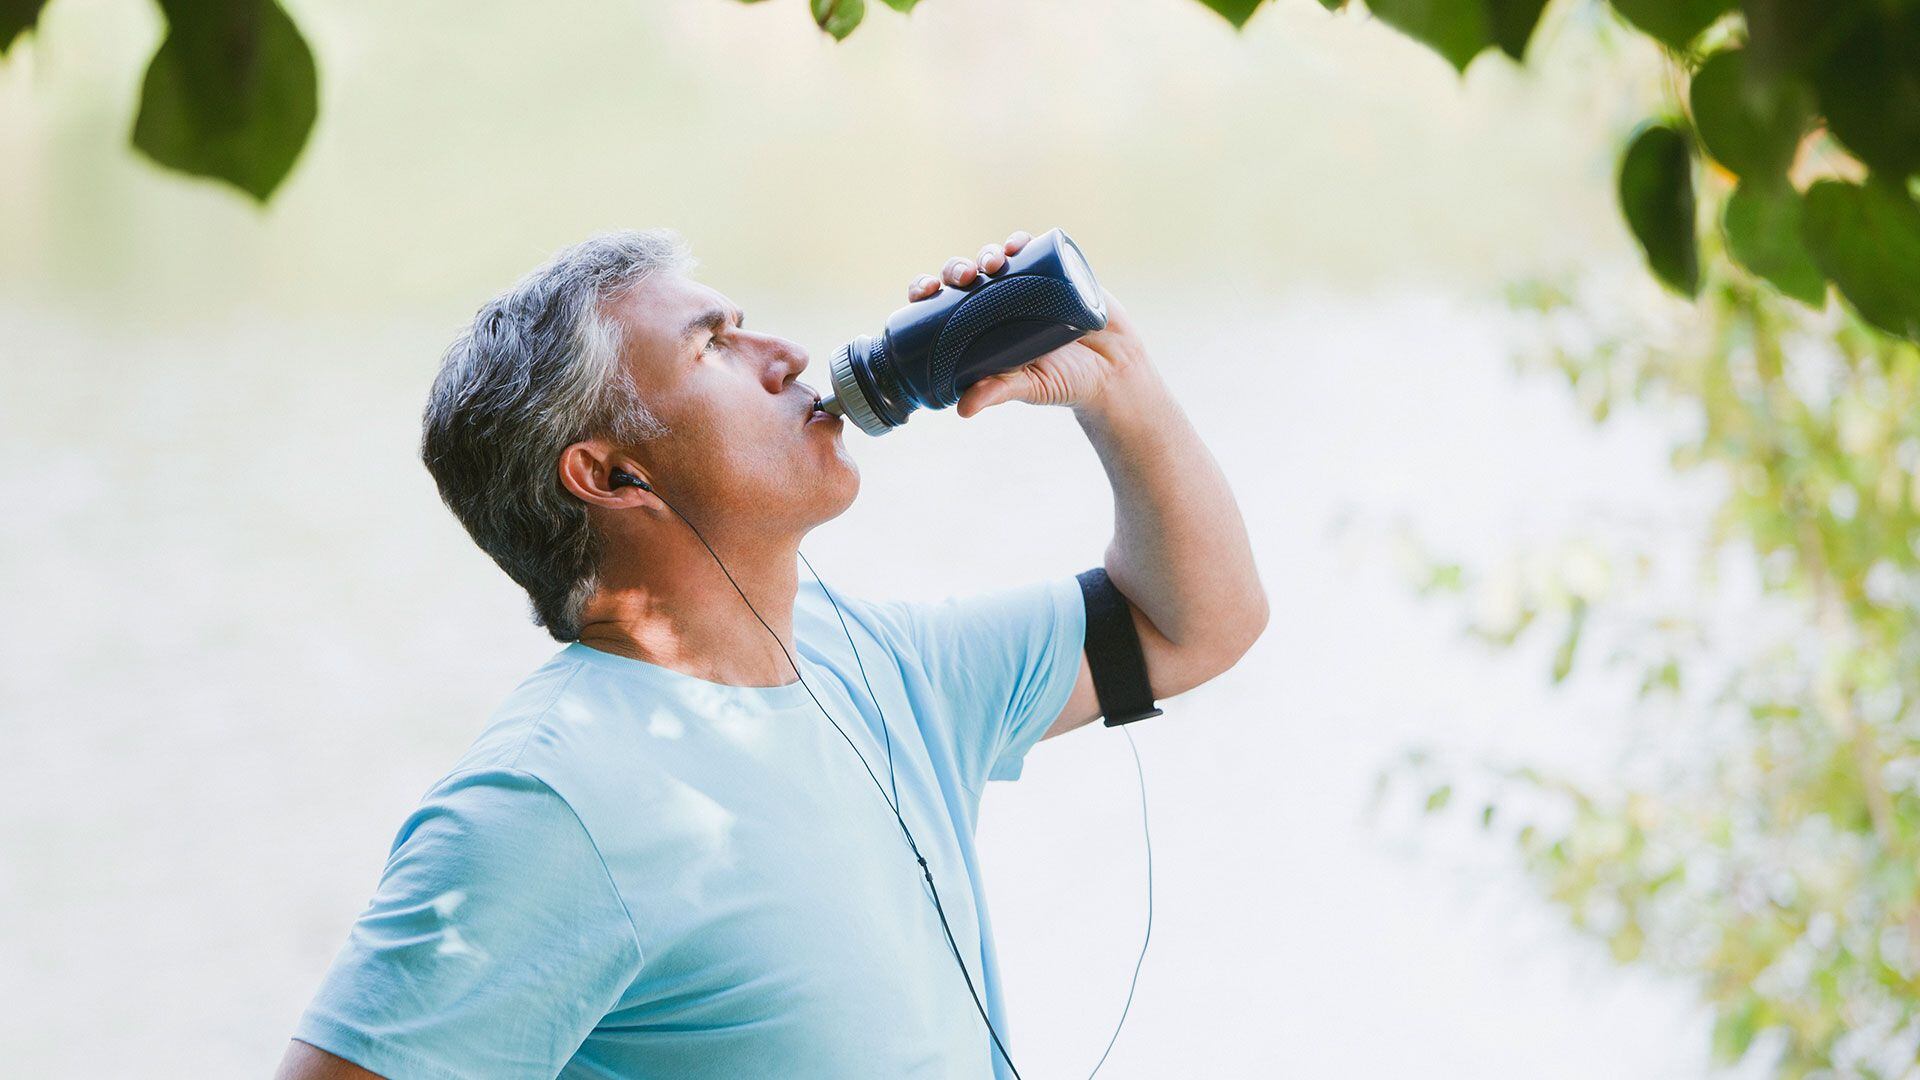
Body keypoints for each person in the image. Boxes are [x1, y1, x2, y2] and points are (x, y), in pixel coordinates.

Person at [273, 228, 1267, 1079]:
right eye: (711, 346)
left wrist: (1116, 388)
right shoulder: (552, 801)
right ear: (612, 472)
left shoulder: (879, 665)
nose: (785, 353)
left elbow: (1195, 622)